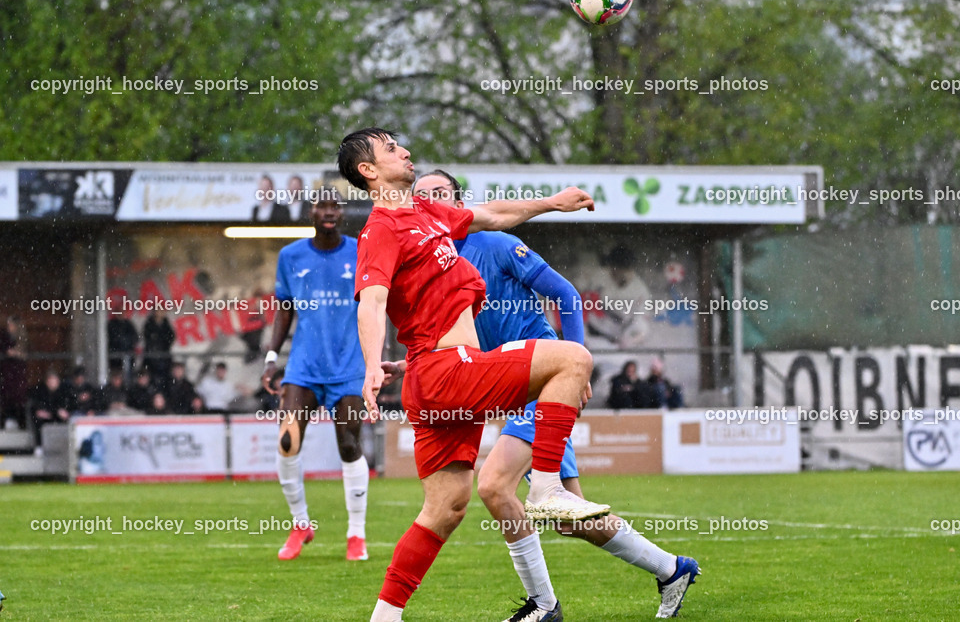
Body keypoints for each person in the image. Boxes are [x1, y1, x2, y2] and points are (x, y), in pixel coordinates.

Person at [337, 127, 609, 622]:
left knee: (445, 508)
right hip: (447, 372)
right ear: (369, 172)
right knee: (573, 358)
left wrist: (553, 201)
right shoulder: (379, 230)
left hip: (434, 378)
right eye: (391, 148)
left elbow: (495, 214)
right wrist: (371, 364)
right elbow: (371, 302)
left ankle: (384, 617)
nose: (405, 150)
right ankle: (548, 487)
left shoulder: (427, 213)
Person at [415, 170, 700, 620]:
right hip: (512, 387)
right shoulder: (432, 262)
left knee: (493, 486)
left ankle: (543, 607)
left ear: (458, 203)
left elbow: (566, 295)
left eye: (440, 193)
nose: (429, 200)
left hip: (544, 382)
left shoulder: (493, 243)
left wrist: (575, 364)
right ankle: (672, 569)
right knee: (568, 519)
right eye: (421, 196)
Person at [261, 192, 371, 561]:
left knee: (349, 446)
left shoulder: (361, 251)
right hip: (304, 367)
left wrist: (376, 362)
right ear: (310, 212)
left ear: (342, 213)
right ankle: (301, 523)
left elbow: (377, 306)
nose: (328, 212)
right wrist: (272, 357)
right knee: (287, 442)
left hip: (349, 366)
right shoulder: (291, 256)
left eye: (335, 207)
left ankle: (356, 534)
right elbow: (284, 311)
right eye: (322, 206)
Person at [28, 369, 72, 447]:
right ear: (46, 382)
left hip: (58, 419)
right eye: (50, 381)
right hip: (45, 420)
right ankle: (40, 445)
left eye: (54, 381)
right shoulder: (40, 391)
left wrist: (56, 413)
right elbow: (38, 408)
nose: (52, 383)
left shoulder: (63, 392)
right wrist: (53, 412)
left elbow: (65, 409)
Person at [0, 316, 28, 429]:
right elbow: (6, 350)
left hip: (17, 372)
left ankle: (20, 422)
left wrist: (16, 353)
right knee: (7, 396)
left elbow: (24, 353)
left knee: (18, 398)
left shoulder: (22, 338)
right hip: (7, 371)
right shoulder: (4, 337)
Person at [142, 310, 176, 391]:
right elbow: (148, 338)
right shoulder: (149, 324)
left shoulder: (166, 324)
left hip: (164, 356)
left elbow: (171, 337)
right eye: (158, 311)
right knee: (151, 378)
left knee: (166, 377)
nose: (160, 313)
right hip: (151, 357)